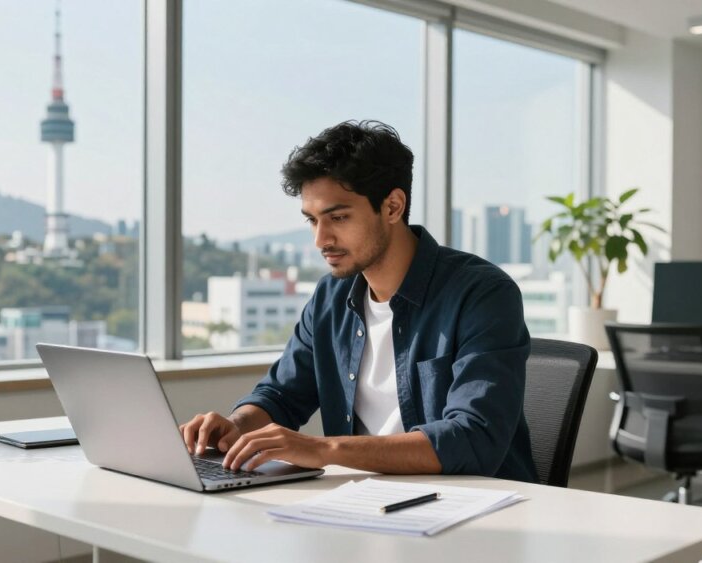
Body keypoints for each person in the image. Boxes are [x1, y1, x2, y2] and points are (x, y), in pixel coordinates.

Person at [179, 120, 536, 481]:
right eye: (312, 221)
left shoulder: (482, 294)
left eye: (338, 217)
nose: (321, 239)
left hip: (474, 510)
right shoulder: (330, 297)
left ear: (393, 206)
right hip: (362, 502)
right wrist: (236, 426)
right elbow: (281, 395)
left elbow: (473, 439)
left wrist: (322, 449)